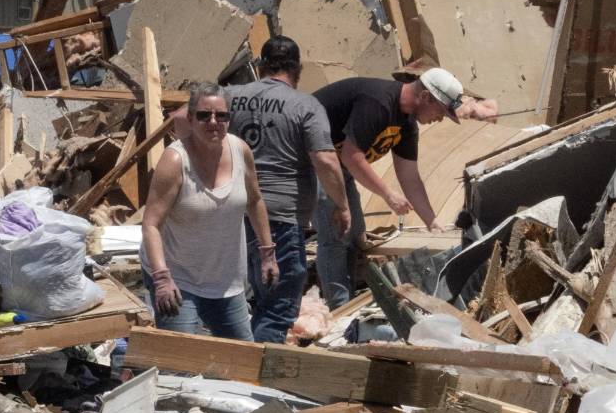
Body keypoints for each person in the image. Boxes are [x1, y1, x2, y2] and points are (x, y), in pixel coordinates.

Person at [224, 37, 350, 342]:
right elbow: (325, 159)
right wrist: (342, 204)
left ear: (261, 66)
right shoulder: (305, 105)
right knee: (279, 305)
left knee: (250, 299)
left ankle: (239, 364)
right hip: (280, 217)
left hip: (233, 215)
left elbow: (186, 125)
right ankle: (255, 378)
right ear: (298, 70)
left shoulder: (228, 98)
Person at [311, 68, 466, 308]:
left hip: (337, 166)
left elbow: (410, 178)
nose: (439, 118)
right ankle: (339, 309)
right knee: (336, 235)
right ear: (425, 97)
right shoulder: (379, 103)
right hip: (311, 160)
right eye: (441, 111)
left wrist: (432, 223)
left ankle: (346, 300)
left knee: (354, 232)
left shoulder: (407, 124)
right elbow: (352, 156)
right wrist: (388, 194)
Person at [141, 83, 279, 340]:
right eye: (204, 115)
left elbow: (255, 200)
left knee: (242, 362)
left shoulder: (241, 151)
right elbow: (150, 224)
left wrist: (267, 253)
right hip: (177, 278)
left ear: (229, 119)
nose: (213, 122)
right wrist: (161, 278)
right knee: (180, 366)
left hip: (225, 280)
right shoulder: (174, 161)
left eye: (221, 115)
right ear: (191, 119)